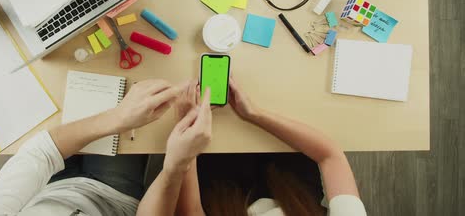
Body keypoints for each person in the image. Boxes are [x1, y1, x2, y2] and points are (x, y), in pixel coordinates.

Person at [138, 77, 368, 216]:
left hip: (223, 193)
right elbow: (331, 155)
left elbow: (191, 211)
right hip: (294, 185)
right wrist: (254, 113)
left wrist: (187, 127)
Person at [0, 79, 184, 215]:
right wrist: (176, 164)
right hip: (111, 195)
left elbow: (40, 153)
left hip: (48, 186)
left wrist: (118, 118)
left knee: (61, 93)